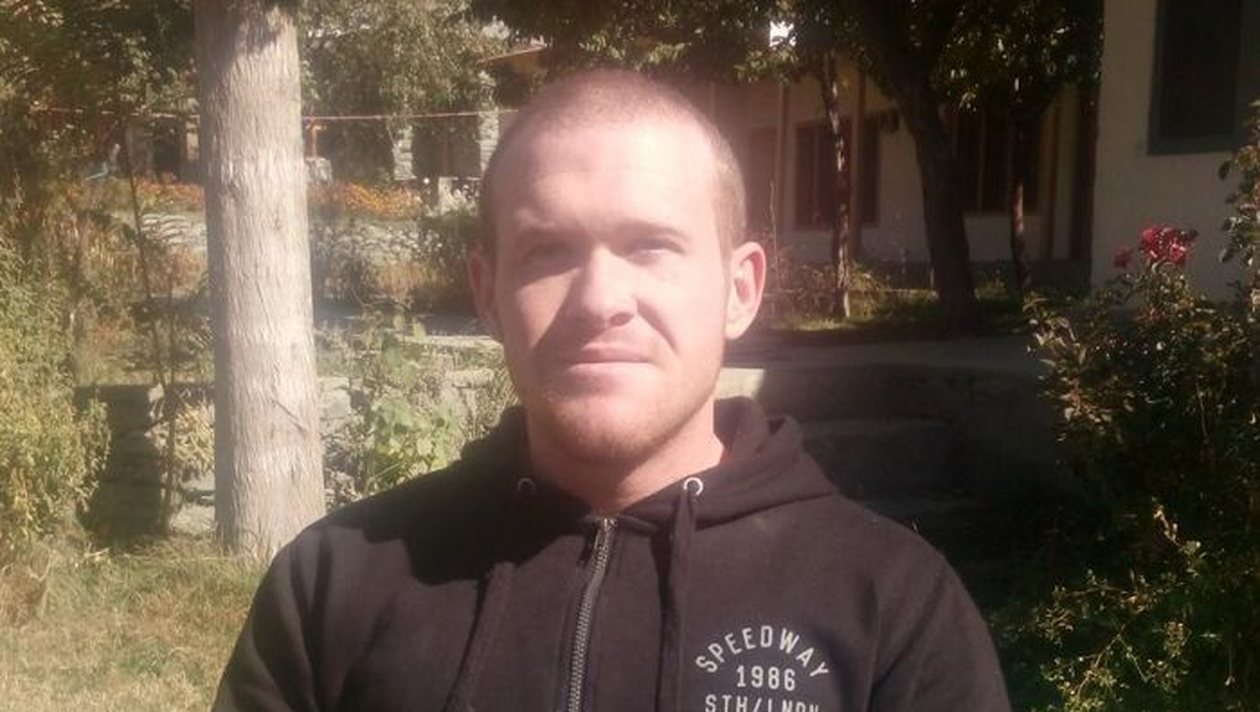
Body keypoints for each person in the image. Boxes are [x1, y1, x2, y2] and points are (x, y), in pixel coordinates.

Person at [214, 69, 1011, 712]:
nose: (599, 300)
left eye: (651, 246)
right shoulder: (333, 584)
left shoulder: (895, 607)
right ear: (488, 294)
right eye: (548, 251)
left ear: (740, 290)